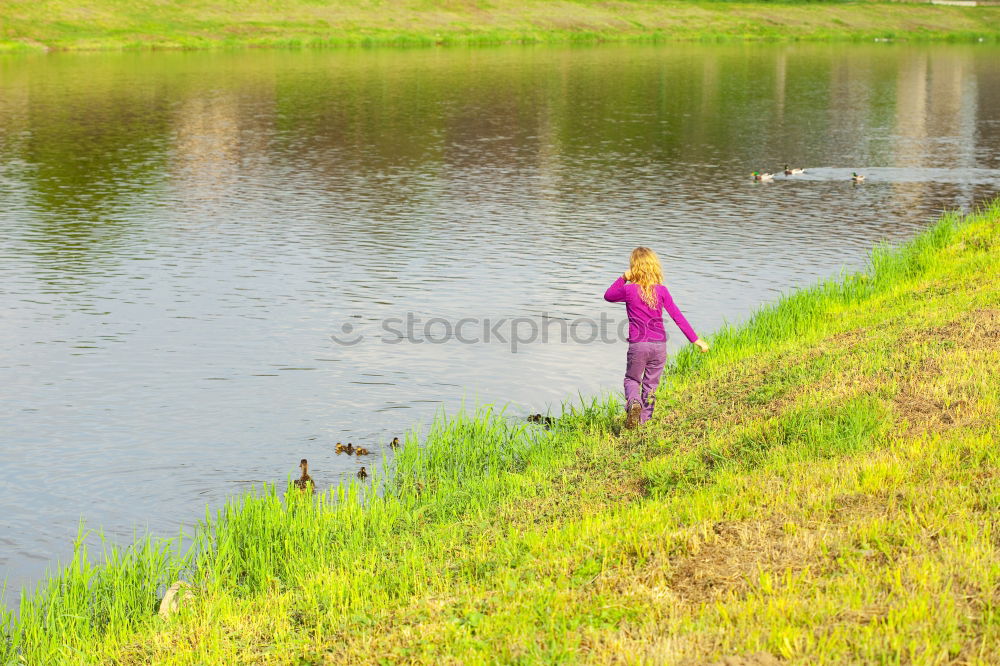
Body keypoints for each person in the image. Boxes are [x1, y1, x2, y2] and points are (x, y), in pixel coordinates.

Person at [604, 247, 709, 428]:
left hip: (639, 345)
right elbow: (678, 317)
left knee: (632, 380)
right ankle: (644, 424)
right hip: (659, 346)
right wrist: (696, 340)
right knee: (651, 385)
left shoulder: (629, 290)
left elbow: (608, 296)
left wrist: (623, 277)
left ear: (634, 267)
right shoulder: (662, 291)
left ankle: (633, 403)